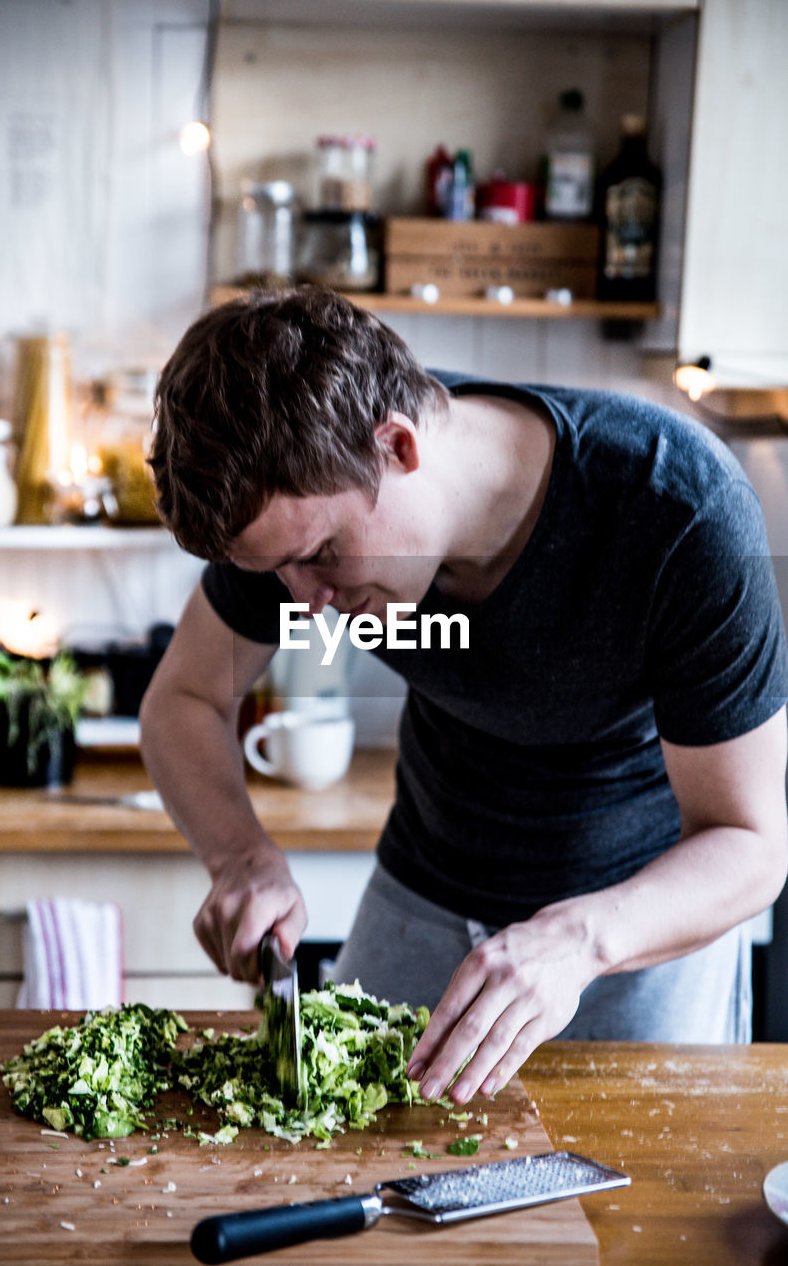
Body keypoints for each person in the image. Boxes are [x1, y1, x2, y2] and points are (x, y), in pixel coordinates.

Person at [140, 286, 788, 1107]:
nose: (305, 604)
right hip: (424, 890)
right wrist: (240, 856)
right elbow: (185, 699)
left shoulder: (680, 512)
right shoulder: (305, 504)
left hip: (636, 928)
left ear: (399, 447)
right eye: (277, 574)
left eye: (323, 556)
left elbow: (753, 843)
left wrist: (580, 939)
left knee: (629, 1223)